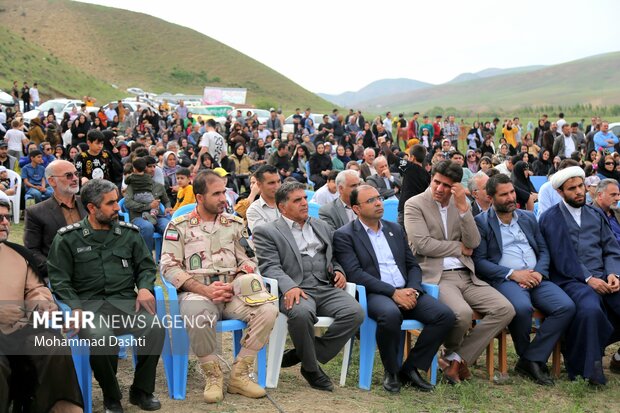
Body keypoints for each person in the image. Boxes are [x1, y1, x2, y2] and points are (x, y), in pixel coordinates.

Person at [47, 179, 164, 412]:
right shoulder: (68, 238)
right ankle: (112, 396)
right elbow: (59, 279)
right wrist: (74, 307)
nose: (117, 207)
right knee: (103, 339)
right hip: (89, 307)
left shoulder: (129, 234)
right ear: (92, 208)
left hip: (125, 303)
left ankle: (141, 391)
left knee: (155, 328)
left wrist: (143, 288)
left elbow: (146, 266)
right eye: (111, 204)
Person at [160, 170, 278, 403]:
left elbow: (249, 259)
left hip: (232, 292)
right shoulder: (179, 226)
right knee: (197, 313)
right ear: (200, 197)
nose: (224, 198)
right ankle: (213, 375)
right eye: (217, 193)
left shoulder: (234, 224)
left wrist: (233, 285)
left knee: (268, 309)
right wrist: (204, 290)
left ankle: (239, 375)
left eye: (224, 191)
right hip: (197, 292)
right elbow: (169, 267)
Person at [334, 185, 455, 392]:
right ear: (356, 209)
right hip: (375, 293)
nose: (379, 203)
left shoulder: (394, 229)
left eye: (378, 198)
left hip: (406, 290)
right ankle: (391, 370)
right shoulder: (345, 235)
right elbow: (355, 274)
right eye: (370, 201)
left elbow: (412, 265)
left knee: (445, 315)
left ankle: (411, 368)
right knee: (390, 315)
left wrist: (414, 290)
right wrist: (392, 293)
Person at [404, 160, 515, 384]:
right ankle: (451, 358)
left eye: (446, 185)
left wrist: (464, 209)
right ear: (431, 178)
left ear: (455, 186)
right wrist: (457, 248)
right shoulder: (415, 204)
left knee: (504, 309)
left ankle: (455, 358)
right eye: (436, 182)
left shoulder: (461, 204)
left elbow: (473, 242)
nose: (439, 188)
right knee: (462, 314)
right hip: (436, 275)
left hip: (466, 272)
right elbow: (422, 244)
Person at [253, 181, 364, 391]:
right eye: (297, 200)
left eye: (304, 198)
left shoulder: (322, 226)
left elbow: (333, 257)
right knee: (301, 314)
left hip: (325, 286)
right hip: (296, 289)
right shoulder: (267, 231)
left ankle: (304, 351)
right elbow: (269, 267)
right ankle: (311, 369)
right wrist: (289, 287)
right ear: (282, 207)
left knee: (355, 312)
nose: (305, 203)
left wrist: (339, 271)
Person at [472, 173, 575, 385]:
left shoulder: (528, 217)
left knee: (566, 306)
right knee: (522, 308)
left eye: (512, 192)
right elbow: (480, 262)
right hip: (506, 280)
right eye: (504, 195)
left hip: (536, 277)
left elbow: (544, 250)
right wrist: (513, 274)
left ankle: (530, 358)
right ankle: (529, 358)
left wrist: (538, 271)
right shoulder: (481, 223)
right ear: (490, 198)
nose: (511, 197)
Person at [0, 199, 84, 413]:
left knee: (52, 345)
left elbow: (35, 289)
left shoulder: (18, 255)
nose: (4, 223)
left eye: (7, 218)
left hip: (17, 329)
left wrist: (44, 306)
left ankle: (58, 408)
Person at [539, 166, 620, 385]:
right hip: (570, 280)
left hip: (603, 276)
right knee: (590, 309)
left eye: (581, 186)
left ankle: (608, 352)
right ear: (560, 192)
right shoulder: (550, 218)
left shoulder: (596, 214)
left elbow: (611, 249)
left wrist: (613, 273)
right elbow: (561, 258)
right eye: (571, 188)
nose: (578, 192)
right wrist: (588, 279)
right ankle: (589, 369)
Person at [23, 160, 87, 278]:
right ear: (52, 181)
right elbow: (32, 251)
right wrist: (56, 269)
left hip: (92, 272)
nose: (74, 178)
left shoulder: (88, 204)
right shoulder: (36, 212)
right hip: (60, 276)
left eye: (76, 174)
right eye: (68, 175)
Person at [124, 157, 172, 251]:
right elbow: (128, 203)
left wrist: (168, 207)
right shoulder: (132, 185)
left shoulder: (158, 186)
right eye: (150, 166)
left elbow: (166, 201)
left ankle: (167, 258)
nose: (153, 169)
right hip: (138, 217)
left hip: (156, 216)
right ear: (142, 168)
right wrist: (148, 206)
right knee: (147, 227)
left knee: (169, 227)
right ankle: (147, 260)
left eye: (154, 166)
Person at [397, 145, 430, 227]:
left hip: (406, 209)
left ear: (412, 157)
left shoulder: (408, 166)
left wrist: (383, 143)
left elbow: (390, 156)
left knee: (401, 235)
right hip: (420, 209)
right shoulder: (426, 174)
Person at [246, 164, 282, 232]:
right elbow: (264, 236)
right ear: (259, 185)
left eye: (279, 181)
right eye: (271, 183)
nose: (277, 186)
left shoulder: (289, 203)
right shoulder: (254, 210)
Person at [592, 179, 620, 243]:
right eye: (613, 195)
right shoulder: (590, 215)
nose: (618, 199)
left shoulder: (617, 211)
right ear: (600, 195)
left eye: (618, 194)